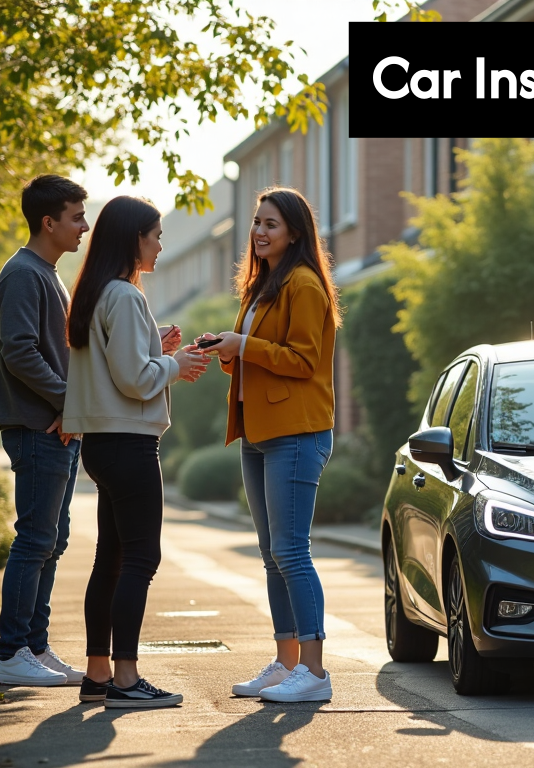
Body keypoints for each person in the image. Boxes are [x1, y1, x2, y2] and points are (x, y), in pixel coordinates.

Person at [63, 196, 209, 709]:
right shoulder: (124, 295)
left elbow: (117, 368)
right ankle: (125, 678)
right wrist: (177, 364)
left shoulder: (97, 293)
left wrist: (160, 352)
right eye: (156, 235)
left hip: (103, 445)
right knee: (141, 557)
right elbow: (134, 380)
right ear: (134, 239)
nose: (160, 245)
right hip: (128, 444)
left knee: (113, 557)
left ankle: (98, 673)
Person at [199, 187, 341, 703]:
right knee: (271, 552)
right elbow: (259, 356)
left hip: (297, 434)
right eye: (257, 222)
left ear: (295, 233)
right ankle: (286, 664)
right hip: (258, 433)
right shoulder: (261, 287)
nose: (259, 232)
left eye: (271, 225)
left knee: (291, 551)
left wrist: (245, 346)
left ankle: (316, 672)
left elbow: (303, 360)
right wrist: (227, 348)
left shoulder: (304, 285)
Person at [0, 175, 91, 687]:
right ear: (48, 222)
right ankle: (10, 652)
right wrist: (68, 402)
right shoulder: (25, 274)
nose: (84, 227)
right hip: (35, 428)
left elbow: (59, 351)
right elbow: (20, 351)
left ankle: (34, 646)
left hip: (56, 427)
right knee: (35, 540)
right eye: (76, 217)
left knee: (53, 539)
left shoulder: (47, 273)